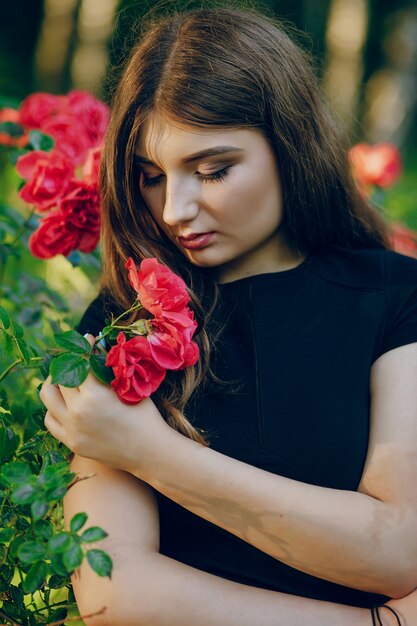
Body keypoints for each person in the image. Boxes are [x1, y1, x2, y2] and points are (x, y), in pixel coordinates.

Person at [39, 4, 417, 625]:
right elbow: (115, 593)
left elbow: (397, 550)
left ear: (290, 146)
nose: (174, 211)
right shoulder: (122, 321)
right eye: (152, 176)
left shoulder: (395, 295)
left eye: (213, 170)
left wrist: (146, 452)